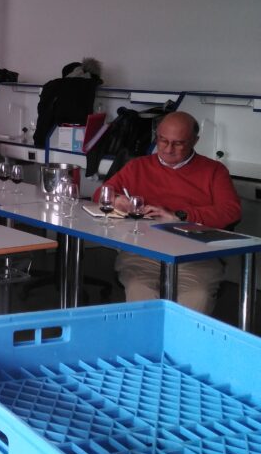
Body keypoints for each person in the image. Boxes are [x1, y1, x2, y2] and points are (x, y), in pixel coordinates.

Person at [92, 111, 241, 314]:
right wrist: (116, 199)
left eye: (178, 143)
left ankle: (182, 337)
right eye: (163, 141)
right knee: (139, 290)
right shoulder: (138, 166)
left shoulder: (214, 170)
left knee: (197, 296)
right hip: (143, 251)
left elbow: (231, 211)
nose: (168, 149)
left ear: (195, 141)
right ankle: (146, 336)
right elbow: (101, 193)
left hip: (195, 254)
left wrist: (180, 216)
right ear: (157, 137)